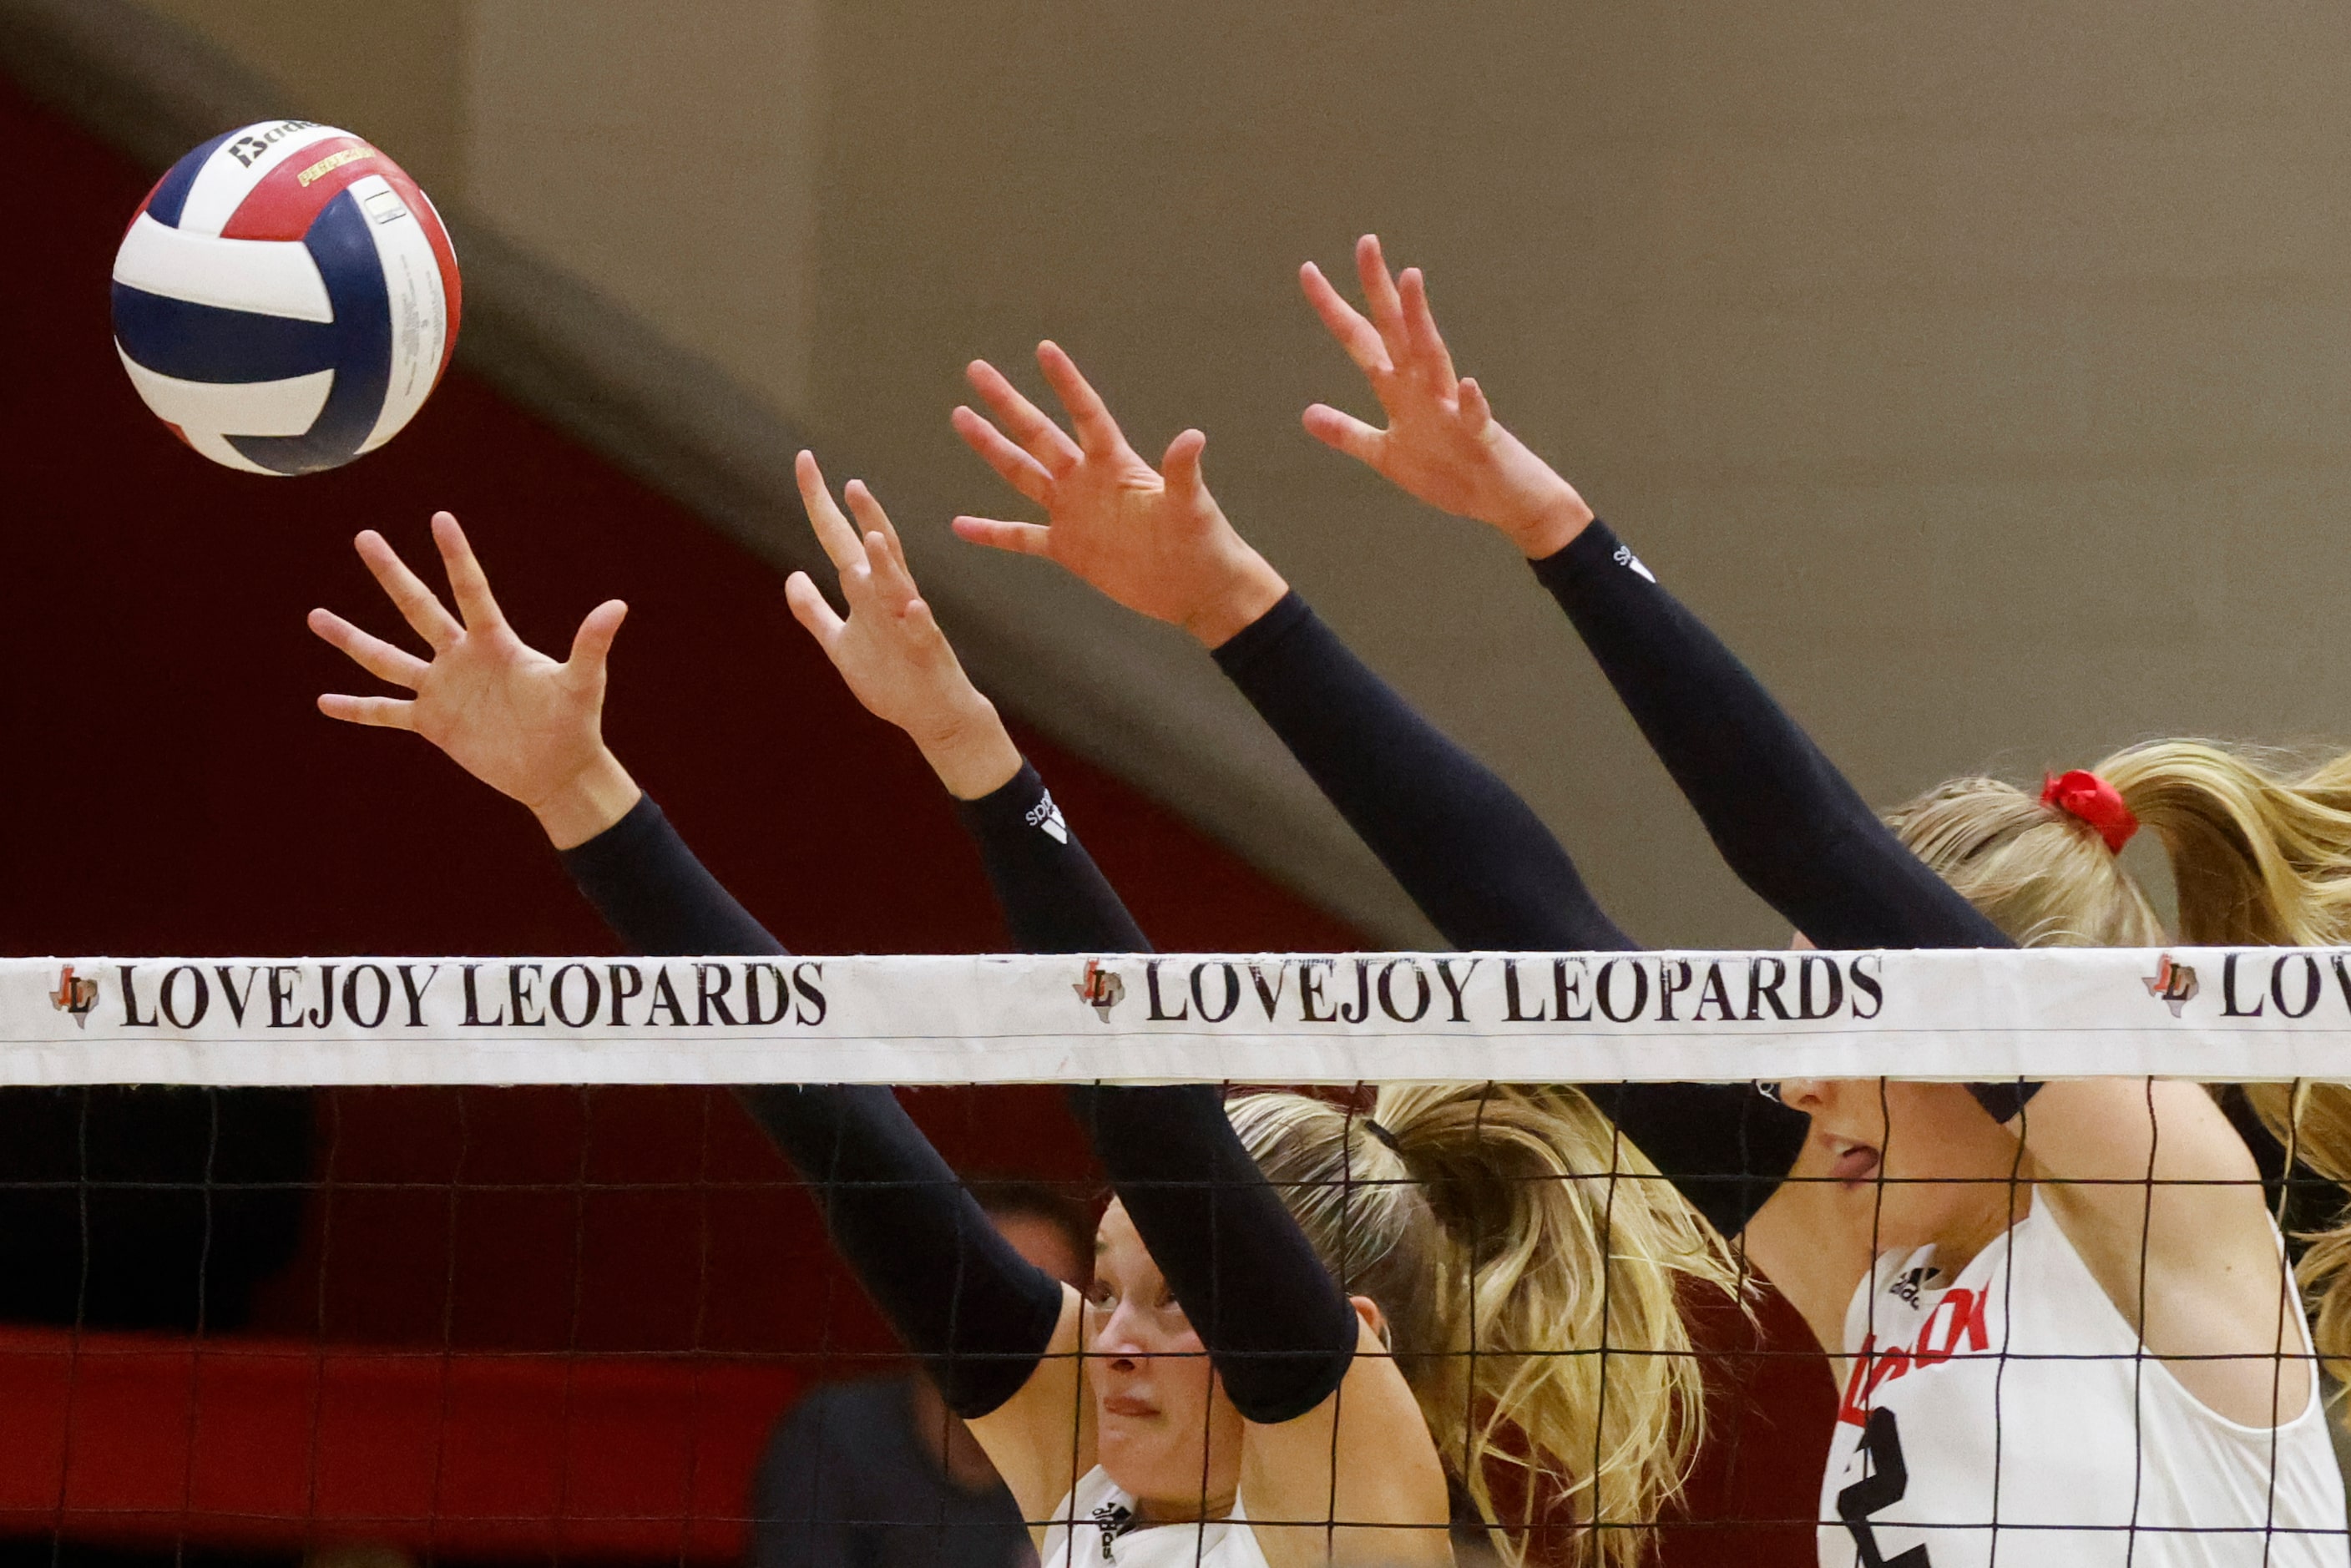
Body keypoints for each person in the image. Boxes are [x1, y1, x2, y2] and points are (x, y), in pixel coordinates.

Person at [943, 238, 2351, 1564]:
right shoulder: (1873, 1274)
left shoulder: (2159, 1195)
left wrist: (1549, 521)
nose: (1800, 1082)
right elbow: (1540, 935)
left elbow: (1799, 838)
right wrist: (1232, 607)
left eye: (1846, 1020)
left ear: (1981, 1022)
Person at [303, 458, 1742, 1567]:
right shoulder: (1083, 1455)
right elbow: (840, 1129)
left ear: (1337, 1331)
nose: (1107, 1333)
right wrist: (579, 796)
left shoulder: (1346, 1495)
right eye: (1107, 1283)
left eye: (1172, 1299)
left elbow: (1153, 1111)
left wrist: (972, 749)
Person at [750, 1180, 1091, 1568]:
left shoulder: (1107, 1456)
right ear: (931, 1301)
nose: (1021, 1325)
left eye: (1049, 1300)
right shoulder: (832, 1437)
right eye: (994, 1295)